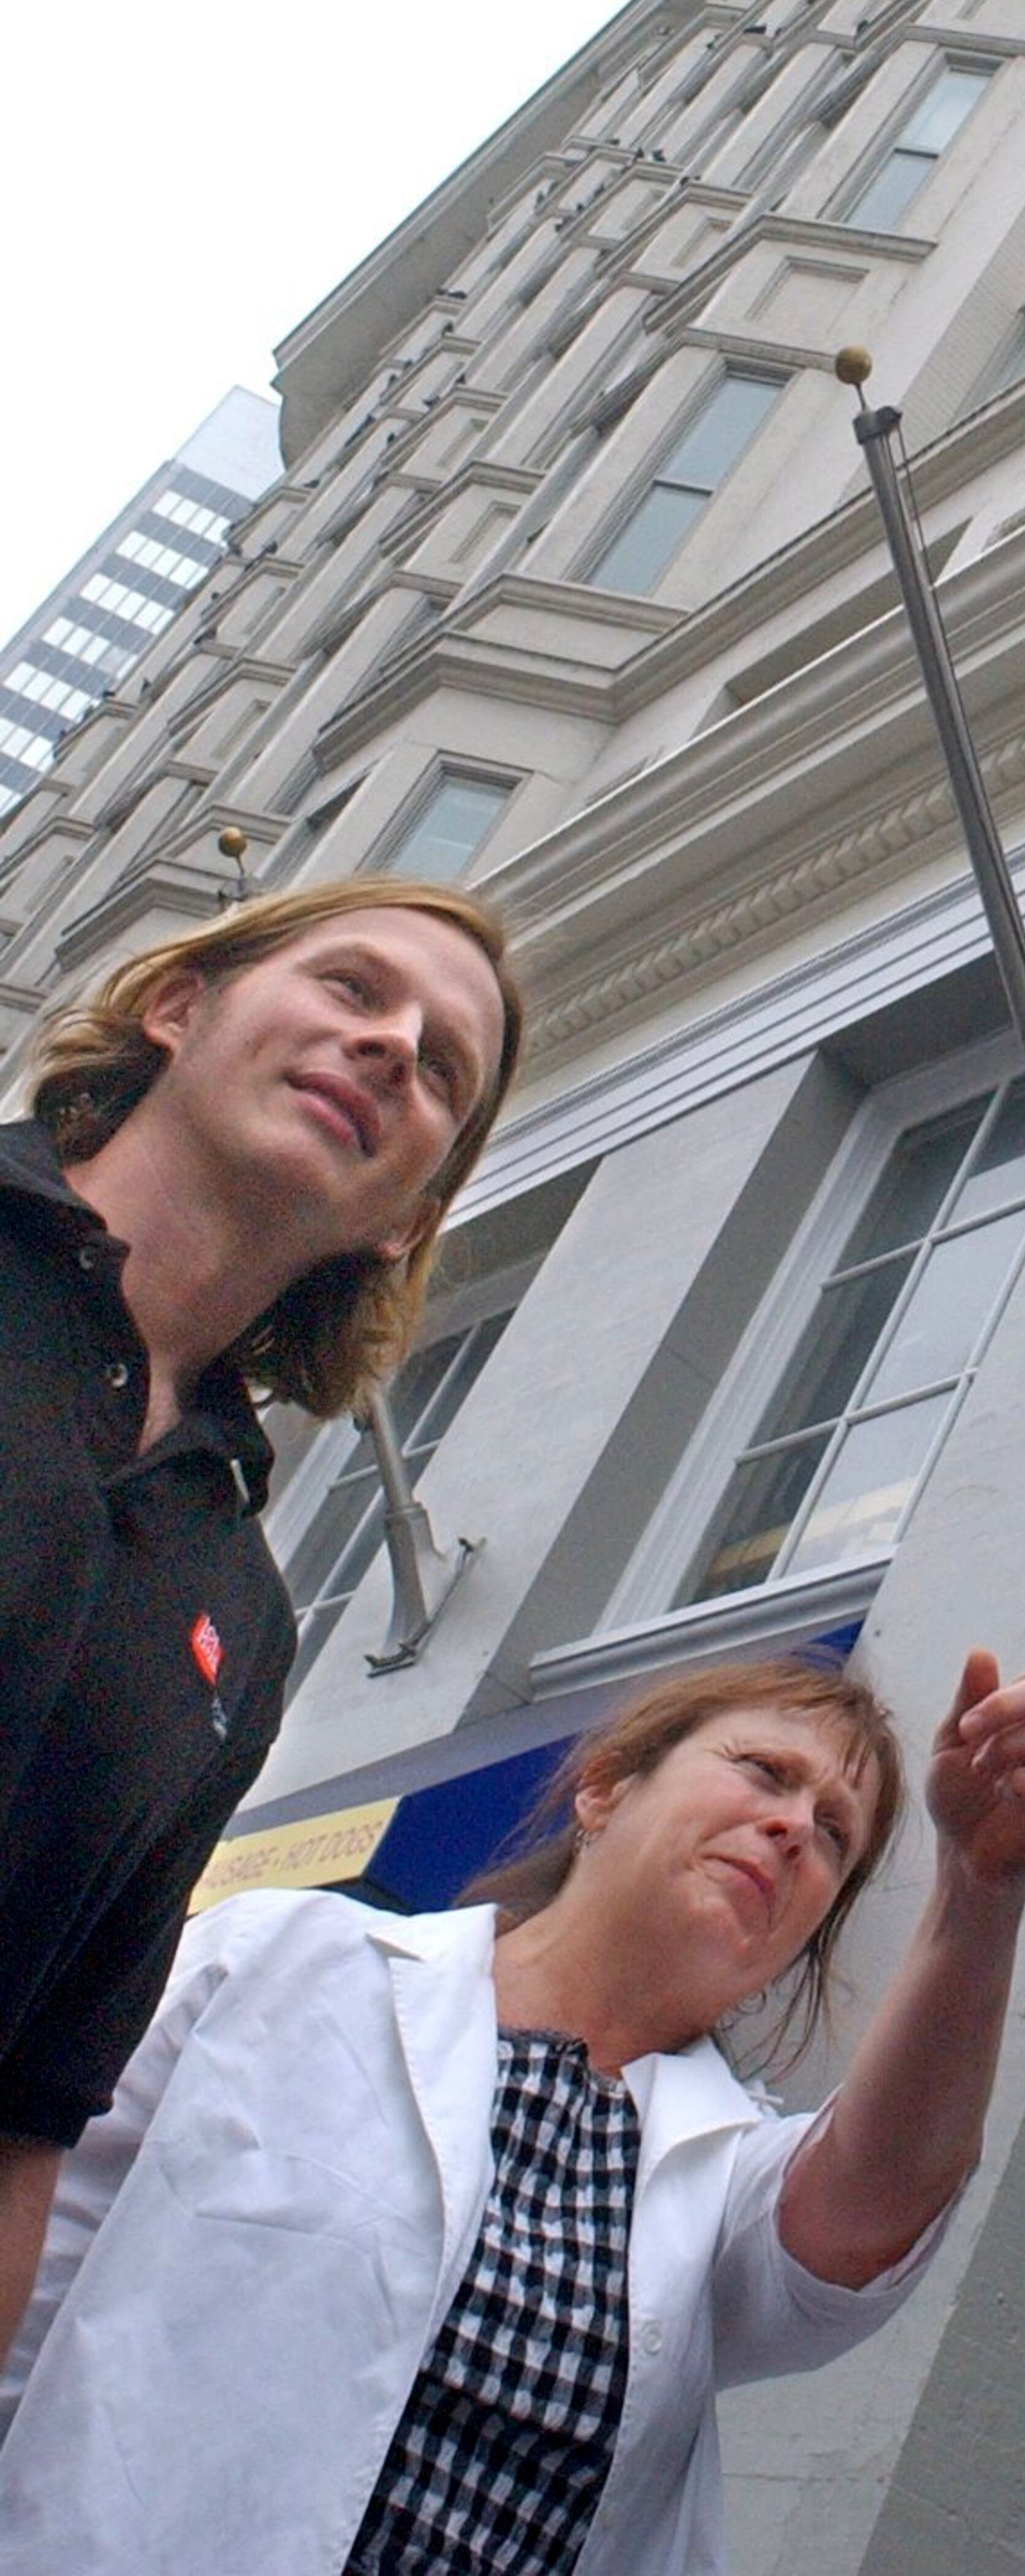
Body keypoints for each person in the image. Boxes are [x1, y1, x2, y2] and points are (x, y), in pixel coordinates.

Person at [0, 1590, 1025, 2573]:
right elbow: (34, 2245)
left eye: (835, 1834)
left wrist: (982, 1889)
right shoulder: (277, 1958)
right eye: (764, 1772)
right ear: (604, 1791)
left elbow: (880, 2193)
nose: (793, 1824)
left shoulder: (722, 2179)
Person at [0, 875, 525, 2352]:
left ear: (404, 1216)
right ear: (179, 1006)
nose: (390, 1045)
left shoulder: (246, 1610)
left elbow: (33, 2112)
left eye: (439, 1068)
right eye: (355, 990)